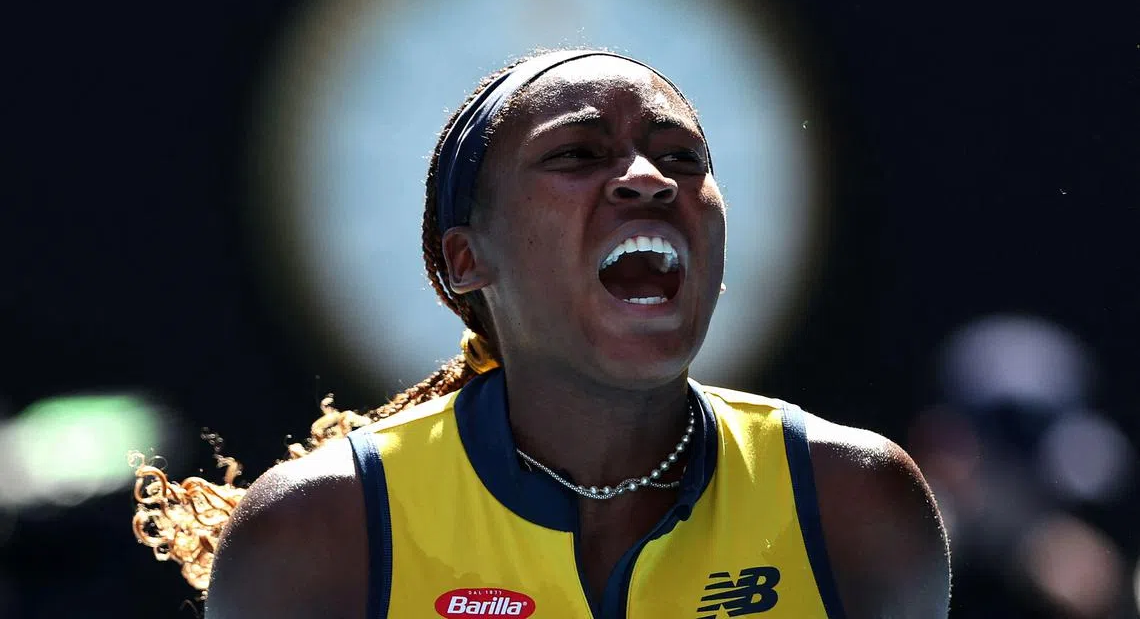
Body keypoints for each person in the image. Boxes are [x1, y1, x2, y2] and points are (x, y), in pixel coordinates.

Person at [133, 49, 950, 618]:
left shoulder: (858, 507)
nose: (647, 177)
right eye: (578, 154)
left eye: (683, 158)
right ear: (467, 259)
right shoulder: (317, 536)